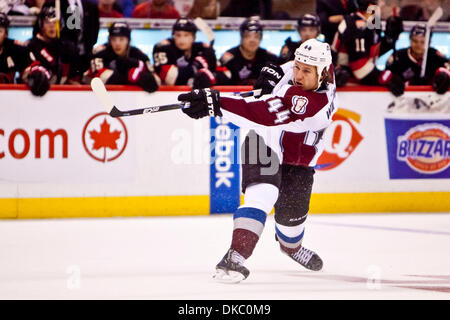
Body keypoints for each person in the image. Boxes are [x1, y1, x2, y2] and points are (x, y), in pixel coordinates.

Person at [177, 39, 337, 283]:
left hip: (299, 161)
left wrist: (215, 103)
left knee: (289, 231)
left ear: (323, 73)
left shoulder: (315, 105)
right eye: (297, 67)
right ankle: (234, 258)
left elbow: (262, 114)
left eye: (306, 71)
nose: (298, 75)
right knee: (261, 195)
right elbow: (287, 69)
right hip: (265, 143)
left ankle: (291, 248)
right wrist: (274, 72)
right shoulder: (313, 68)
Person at [331, 0, 404, 96]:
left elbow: (371, 53)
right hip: (350, 88)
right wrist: (387, 77)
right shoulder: (355, 25)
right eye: (380, 2)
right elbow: (360, 69)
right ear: (370, 6)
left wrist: (389, 39)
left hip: (361, 85)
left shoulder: (372, 21)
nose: (383, 4)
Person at [85, 21, 159, 93]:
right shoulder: (100, 55)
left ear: (128, 40)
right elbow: (101, 80)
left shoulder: (139, 55)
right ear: (109, 40)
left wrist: (143, 77)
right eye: (113, 39)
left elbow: (156, 81)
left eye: (121, 39)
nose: (117, 43)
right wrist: (130, 76)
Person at [385, 23, 449, 95]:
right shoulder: (398, 57)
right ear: (410, 40)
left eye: (423, 42)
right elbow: (386, 76)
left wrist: (446, 76)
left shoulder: (436, 56)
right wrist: (391, 80)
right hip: (403, 98)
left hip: (430, 98)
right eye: (415, 41)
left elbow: (447, 68)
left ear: (429, 43)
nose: (418, 45)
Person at [152, 18, 217, 88]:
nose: (182, 39)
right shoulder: (162, 47)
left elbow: (220, 75)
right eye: (178, 35)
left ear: (194, 37)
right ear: (173, 36)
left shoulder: (204, 49)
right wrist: (196, 68)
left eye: (186, 35)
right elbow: (170, 78)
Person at [0, 12, 50, 96]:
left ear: (6, 34)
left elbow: (32, 66)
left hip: (9, 99)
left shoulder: (14, 48)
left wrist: (36, 74)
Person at [217, 17, 277, 86]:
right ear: (242, 37)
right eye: (248, 36)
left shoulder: (269, 58)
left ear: (261, 39)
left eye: (256, 36)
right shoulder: (228, 58)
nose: (252, 40)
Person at [27, 6, 79, 84]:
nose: (51, 26)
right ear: (41, 24)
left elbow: (73, 76)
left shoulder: (67, 47)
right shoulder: (32, 46)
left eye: (55, 22)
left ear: (60, 25)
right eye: (47, 22)